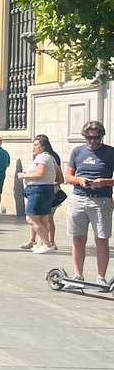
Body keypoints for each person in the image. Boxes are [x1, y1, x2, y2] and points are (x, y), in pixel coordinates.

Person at [63, 121, 114, 287]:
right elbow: (68, 177)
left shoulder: (110, 152)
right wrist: (80, 180)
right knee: (78, 239)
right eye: (90, 138)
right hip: (79, 198)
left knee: (101, 239)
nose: (93, 141)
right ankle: (78, 275)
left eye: (97, 137)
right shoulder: (77, 152)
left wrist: (104, 181)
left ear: (101, 136)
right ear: (85, 137)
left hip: (101, 200)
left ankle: (101, 277)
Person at [17, 135, 59, 253]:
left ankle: (47, 245)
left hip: (38, 190)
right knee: (44, 218)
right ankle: (41, 244)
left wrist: (24, 175)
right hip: (46, 190)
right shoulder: (50, 157)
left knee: (31, 219)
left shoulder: (42, 157)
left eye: (36, 145)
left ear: (43, 146)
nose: (33, 148)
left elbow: (41, 173)